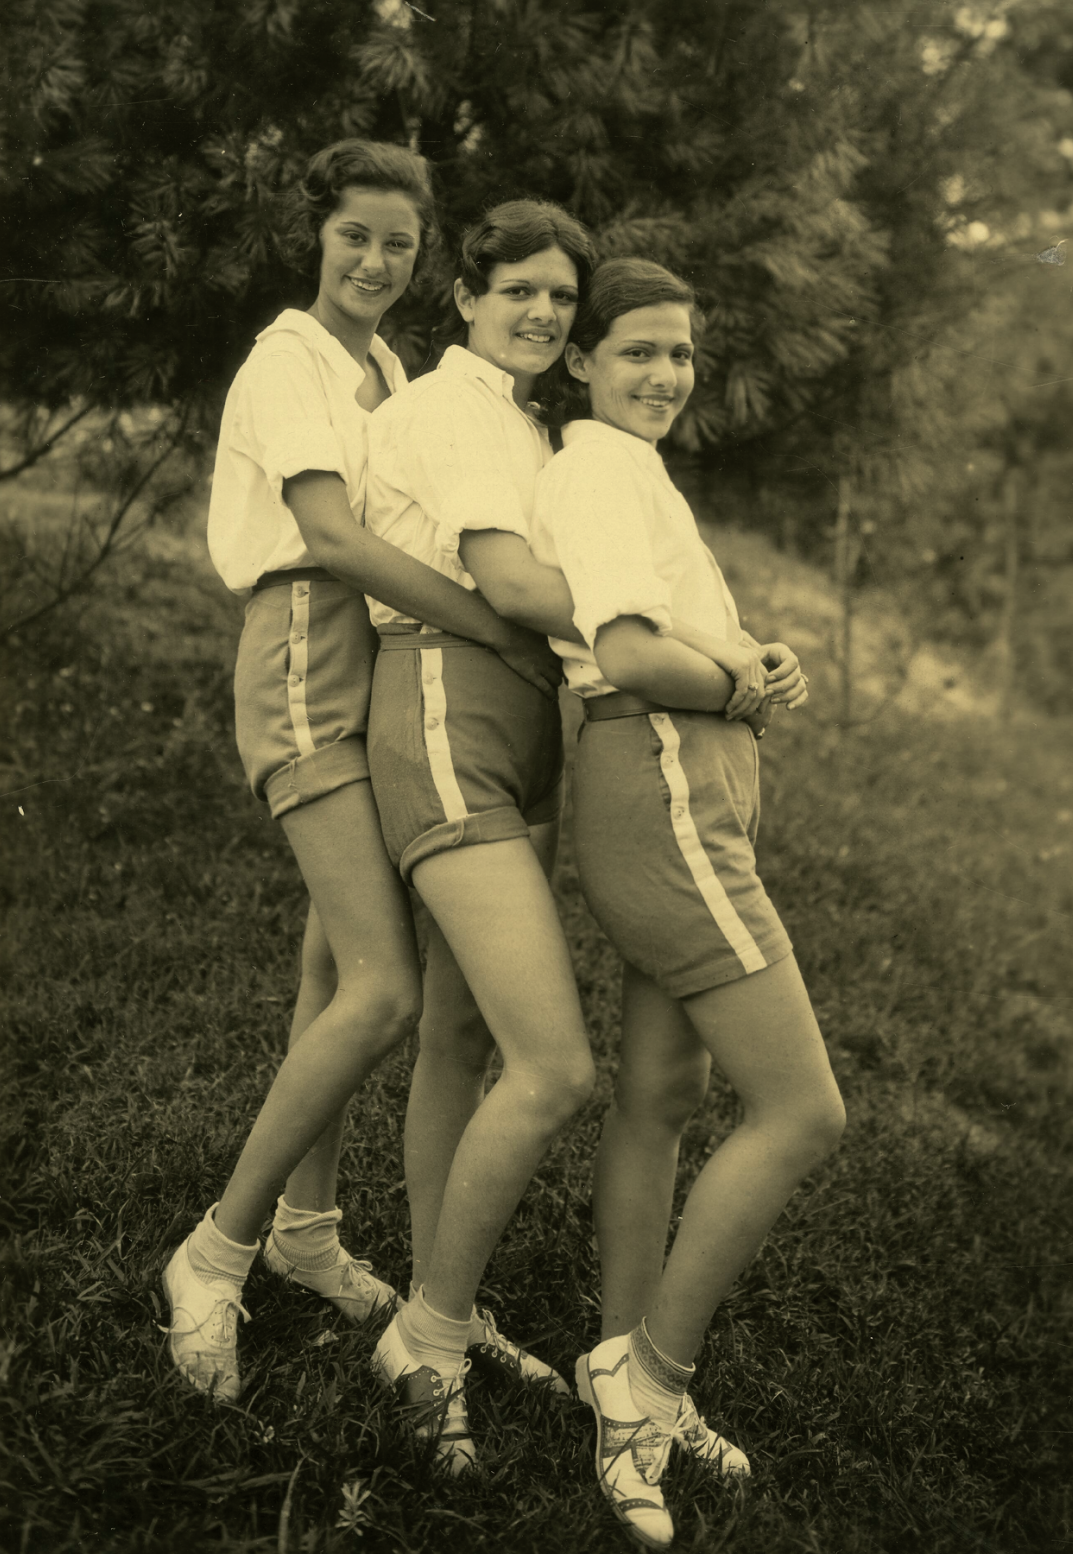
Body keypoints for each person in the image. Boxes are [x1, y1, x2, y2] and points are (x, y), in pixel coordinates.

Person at [162, 141, 560, 1404]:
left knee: (334, 968)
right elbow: (329, 535)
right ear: (316, 237)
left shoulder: (385, 367)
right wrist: (492, 621)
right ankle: (212, 1253)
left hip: (381, 664)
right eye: (355, 238)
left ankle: (306, 1236)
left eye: (398, 243)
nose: (376, 263)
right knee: (384, 987)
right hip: (303, 656)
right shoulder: (287, 363)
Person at [529, 257, 846, 1548]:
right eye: (638, 351)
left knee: (662, 1099)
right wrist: (743, 684)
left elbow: (674, 627)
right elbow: (623, 649)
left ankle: (625, 1387)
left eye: (681, 354)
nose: (664, 374)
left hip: (685, 783)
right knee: (805, 1108)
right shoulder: (596, 467)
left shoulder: (634, 469)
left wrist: (745, 650)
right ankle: (647, 1374)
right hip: (662, 788)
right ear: (583, 360)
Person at [360, 201, 602, 1472]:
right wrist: (664, 617)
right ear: (464, 295)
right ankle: (430, 1337)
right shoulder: (452, 410)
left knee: (461, 1036)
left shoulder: (523, 419)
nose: (543, 314)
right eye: (518, 290)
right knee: (553, 1065)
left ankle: (433, 1298)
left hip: (516, 725)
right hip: (446, 714)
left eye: (561, 299)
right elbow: (510, 590)